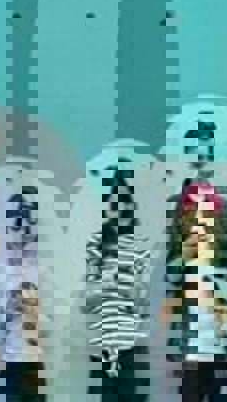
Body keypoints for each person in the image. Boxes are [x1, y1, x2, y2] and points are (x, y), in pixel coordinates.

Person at [164, 181, 227, 402]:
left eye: (207, 215)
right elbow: (170, 282)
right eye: (193, 216)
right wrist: (183, 257)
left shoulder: (226, 257)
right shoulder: (182, 253)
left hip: (219, 345)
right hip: (190, 347)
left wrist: (224, 300)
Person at [84, 166, 155, 402]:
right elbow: (87, 301)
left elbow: (143, 304)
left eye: (124, 202)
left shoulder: (141, 246)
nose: (118, 208)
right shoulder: (96, 243)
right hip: (102, 345)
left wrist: (121, 287)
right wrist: (112, 281)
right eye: (113, 203)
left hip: (132, 344)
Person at [0, 186, 47, 402]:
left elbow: (51, 326)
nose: (22, 231)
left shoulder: (41, 270)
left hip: (35, 363)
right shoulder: (1, 272)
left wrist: (34, 312)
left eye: (27, 223)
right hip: (11, 363)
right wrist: (9, 308)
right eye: (16, 224)